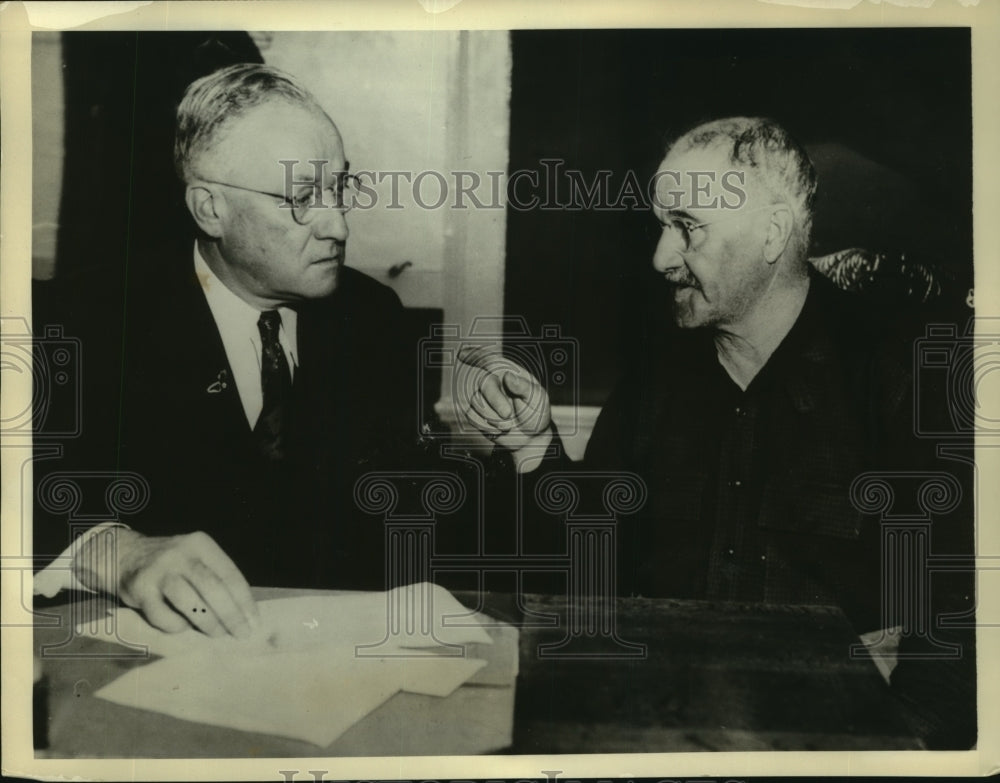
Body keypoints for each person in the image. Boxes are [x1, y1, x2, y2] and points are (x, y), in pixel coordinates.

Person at [460, 117, 975, 748]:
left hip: (836, 737)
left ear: (772, 234)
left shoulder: (902, 381)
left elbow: (956, 622)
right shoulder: (654, 379)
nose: (660, 258)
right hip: (662, 722)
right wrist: (534, 448)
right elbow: (586, 575)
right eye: (661, 225)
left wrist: (897, 752)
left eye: (687, 226)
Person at [33, 64, 426, 639]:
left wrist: (522, 449)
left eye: (340, 189)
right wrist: (111, 550)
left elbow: (406, 521)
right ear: (210, 209)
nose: (338, 227)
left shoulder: (371, 319)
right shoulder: (80, 321)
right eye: (302, 198)